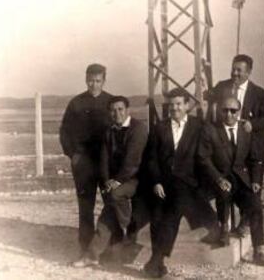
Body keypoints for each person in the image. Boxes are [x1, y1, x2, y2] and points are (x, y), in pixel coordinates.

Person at [143, 88, 218, 278]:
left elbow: (206, 155)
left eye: (178, 104)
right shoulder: (160, 127)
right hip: (164, 182)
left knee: (173, 207)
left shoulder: (198, 126)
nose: (174, 108)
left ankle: (156, 260)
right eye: (171, 104)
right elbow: (151, 158)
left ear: (187, 105)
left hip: (189, 182)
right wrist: (156, 182)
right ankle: (156, 262)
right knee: (160, 213)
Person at [72, 96, 148, 267]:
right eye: (113, 110)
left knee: (115, 196)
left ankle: (130, 231)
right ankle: (92, 254)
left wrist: (117, 181)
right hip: (119, 181)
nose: (117, 113)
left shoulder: (139, 129)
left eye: (120, 109)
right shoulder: (109, 131)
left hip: (139, 178)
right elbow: (104, 159)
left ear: (128, 110)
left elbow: (133, 161)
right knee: (108, 211)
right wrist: (107, 181)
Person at [198, 96, 264, 266]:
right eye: (225, 110)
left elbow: (254, 159)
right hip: (220, 178)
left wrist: (255, 180)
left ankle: (259, 249)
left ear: (239, 112)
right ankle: (223, 229)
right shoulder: (210, 130)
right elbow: (203, 158)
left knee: (255, 204)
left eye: (233, 110)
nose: (229, 114)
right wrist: (218, 178)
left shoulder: (246, 130)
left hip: (242, 181)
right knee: (222, 194)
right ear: (220, 111)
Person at [59, 63, 113, 254]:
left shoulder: (112, 102)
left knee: (111, 203)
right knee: (85, 205)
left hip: (107, 164)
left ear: (104, 81)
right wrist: (73, 155)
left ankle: (109, 245)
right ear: (86, 79)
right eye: (90, 80)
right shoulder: (76, 103)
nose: (94, 84)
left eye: (98, 80)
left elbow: (122, 130)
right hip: (83, 163)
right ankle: (85, 247)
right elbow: (64, 132)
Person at [211, 54, 264, 169]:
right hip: (224, 145)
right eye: (233, 69)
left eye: (239, 70)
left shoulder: (260, 93)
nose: (234, 73)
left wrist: (252, 125)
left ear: (248, 73)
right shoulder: (221, 87)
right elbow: (211, 109)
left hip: (249, 147)